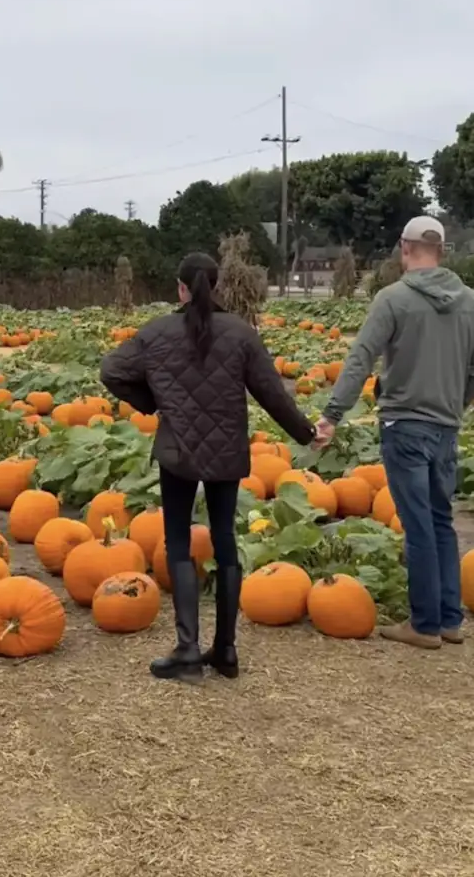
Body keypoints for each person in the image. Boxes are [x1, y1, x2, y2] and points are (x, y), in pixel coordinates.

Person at [100, 252, 316, 683]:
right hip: (226, 450)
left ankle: (187, 649)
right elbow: (272, 393)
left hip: (178, 450)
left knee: (178, 542)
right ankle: (226, 650)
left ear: (180, 287)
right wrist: (306, 433)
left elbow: (112, 371)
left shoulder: (158, 332)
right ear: (214, 286)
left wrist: (154, 401)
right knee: (225, 540)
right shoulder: (240, 333)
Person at [315, 216, 474, 649]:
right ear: (442, 250)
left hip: (404, 425)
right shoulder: (469, 302)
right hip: (446, 426)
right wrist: (458, 402)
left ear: (404, 248)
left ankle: (424, 624)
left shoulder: (394, 298)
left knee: (418, 524)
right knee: (441, 520)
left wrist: (333, 414)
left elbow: (361, 357)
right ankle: (449, 619)